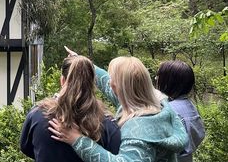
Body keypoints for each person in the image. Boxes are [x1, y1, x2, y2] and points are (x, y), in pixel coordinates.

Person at [49, 51, 188, 162]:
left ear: (120, 87)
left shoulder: (139, 134)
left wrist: (77, 140)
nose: (110, 83)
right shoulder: (158, 104)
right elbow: (106, 83)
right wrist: (83, 63)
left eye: (113, 80)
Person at [20, 55, 121, 162]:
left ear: (62, 80)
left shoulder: (37, 114)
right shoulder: (106, 123)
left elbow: (26, 148)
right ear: (92, 83)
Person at [156, 60, 205, 162]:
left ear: (168, 82)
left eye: (159, 76)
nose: (156, 79)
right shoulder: (189, 106)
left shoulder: (168, 110)